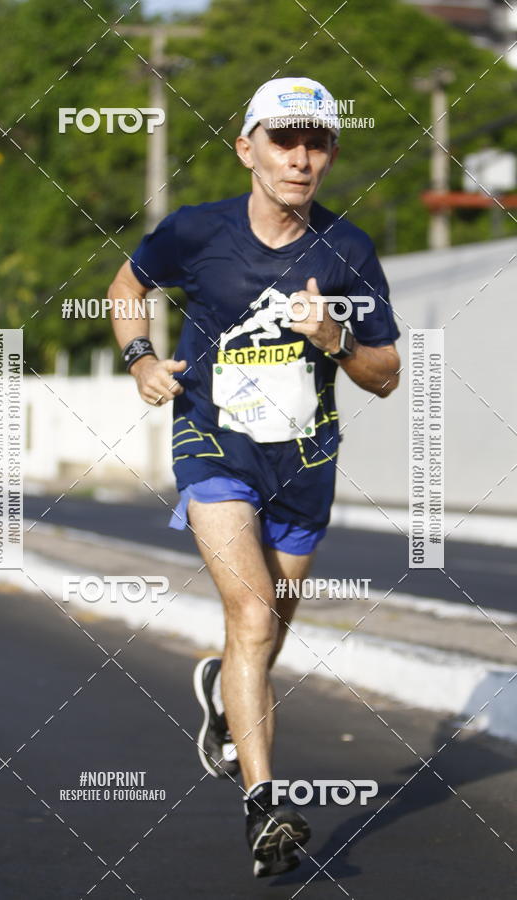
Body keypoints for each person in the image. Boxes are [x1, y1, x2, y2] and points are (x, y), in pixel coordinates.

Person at [109, 76, 400, 877]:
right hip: (213, 447)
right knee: (252, 612)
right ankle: (264, 803)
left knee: (269, 627)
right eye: (283, 139)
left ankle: (223, 695)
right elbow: (126, 289)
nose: (300, 157)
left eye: (316, 142)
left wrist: (334, 338)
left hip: (305, 462)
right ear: (247, 148)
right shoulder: (195, 232)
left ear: (332, 153)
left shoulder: (349, 251)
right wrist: (140, 361)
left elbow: (386, 375)